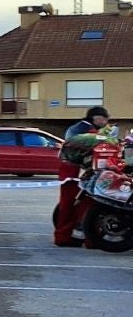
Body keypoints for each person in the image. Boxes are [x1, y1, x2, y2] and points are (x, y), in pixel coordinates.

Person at [54, 105, 111, 247]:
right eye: (104, 118)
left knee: (67, 206)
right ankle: (89, 240)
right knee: (87, 206)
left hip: (68, 172)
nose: (106, 122)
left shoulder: (76, 127)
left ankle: (63, 237)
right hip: (77, 174)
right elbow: (99, 147)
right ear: (96, 118)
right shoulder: (89, 131)